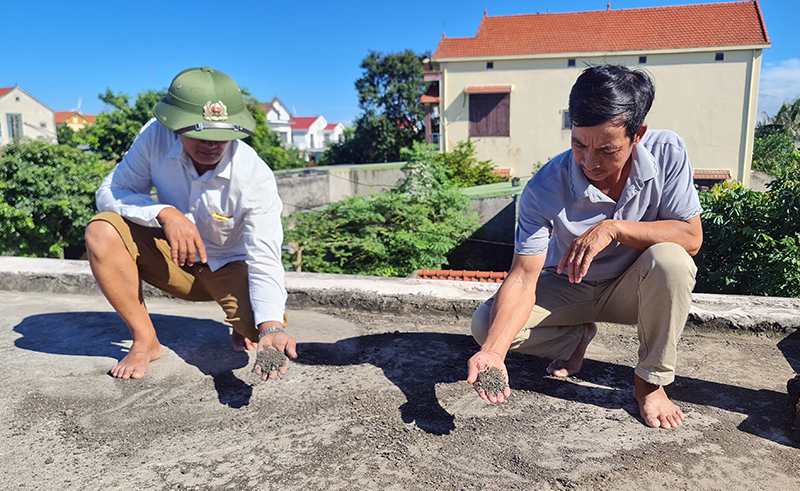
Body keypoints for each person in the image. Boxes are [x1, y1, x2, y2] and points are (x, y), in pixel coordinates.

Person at [466, 65, 703, 429]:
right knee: (486, 325)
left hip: (634, 288)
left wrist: (615, 228)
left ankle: (650, 385)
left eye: (607, 150)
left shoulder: (667, 151)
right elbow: (523, 278)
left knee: (671, 260)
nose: (590, 162)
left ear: (637, 135)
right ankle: (577, 336)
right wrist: (495, 353)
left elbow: (691, 237)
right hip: (569, 286)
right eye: (579, 144)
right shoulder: (543, 187)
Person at [86, 66, 296, 381]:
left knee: (262, 329)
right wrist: (165, 213)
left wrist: (271, 327)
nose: (212, 145)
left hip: (228, 263)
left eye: (222, 137)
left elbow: (265, 258)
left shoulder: (255, 177)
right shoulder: (153, 136)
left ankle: (241, 324)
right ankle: (145, 340)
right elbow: (111, 192)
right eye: (201, 134)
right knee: (101, 230)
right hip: (172, 257)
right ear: (175, 126)